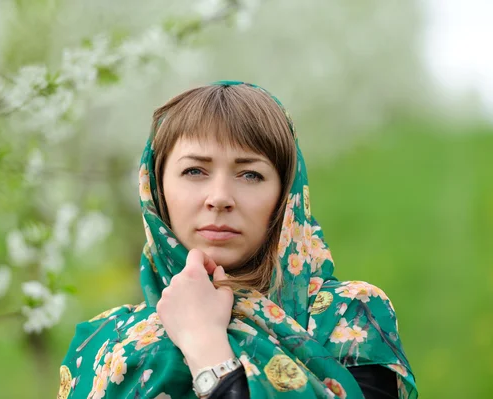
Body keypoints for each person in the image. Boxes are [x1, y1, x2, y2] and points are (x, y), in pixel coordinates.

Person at [57, 81, 418, 399]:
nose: (219, 197)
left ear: (285, 194)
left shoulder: (343, 317)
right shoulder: (103, 342)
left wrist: (205, 346)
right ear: (156, 188)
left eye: (250, 174)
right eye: (194, 171)